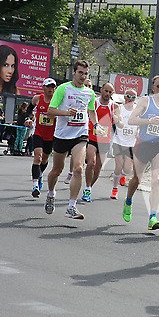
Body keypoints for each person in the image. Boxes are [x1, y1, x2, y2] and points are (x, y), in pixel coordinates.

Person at [44, 60, 104, 220]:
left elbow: (91, 111)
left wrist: (96, 124)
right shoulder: (63, 89)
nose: (83, 76)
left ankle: (71, 206)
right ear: (74, 72)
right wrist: (66, 113)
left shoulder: (89, 93)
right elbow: (50, 110)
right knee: (56, 171)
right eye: (80, 73)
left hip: (81, 134)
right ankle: (51, 194)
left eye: (86, 74)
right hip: (62, 135)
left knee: (78, 168)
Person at [122, 75, 159, 230]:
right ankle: (128, 200)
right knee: (137, 179)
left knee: (156, 180)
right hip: (143, 145)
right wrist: (149, 121)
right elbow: (131, 120)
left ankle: (153, 217)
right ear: (153, 88)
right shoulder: (145, 101)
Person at [81, 83, 123, 202]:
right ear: (101, 90)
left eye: (110, 92)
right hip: (92, 137)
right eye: (106, 91)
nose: (107, 94)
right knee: (91, 163)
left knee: (98, 167)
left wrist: (117, 120)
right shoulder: (94, 103)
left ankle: (88, 188)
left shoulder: (115, 107)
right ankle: (88, 187)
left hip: (105, 140)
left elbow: (121, 124)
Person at [27, 78, 57, 198]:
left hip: (51, 135)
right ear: (44, 87)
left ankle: (39, 175)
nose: (51, 89)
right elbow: (29, 109)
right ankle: (35, 186)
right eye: (48, 86)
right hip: (38, 132)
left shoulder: (57, 100)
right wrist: (28, 118)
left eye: (53, 87)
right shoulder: (37, 98)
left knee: (44, 159)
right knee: (38, 157)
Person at [110, 89, 138, 200]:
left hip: (131, 143)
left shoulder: (138, 110)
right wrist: (115, 120)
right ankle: (115, 189)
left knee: (127, 168)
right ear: (124, 97)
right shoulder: (119, 108)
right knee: (118, 165)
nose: (130, 98)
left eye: (133, 97)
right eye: (128, 96)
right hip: (118, 141)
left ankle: (124, 174)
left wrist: (139, 130)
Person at [64, 79, 93, 184]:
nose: (88, 87)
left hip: (89, 132)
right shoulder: (78, 98)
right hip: (75, 131)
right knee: (75, 154)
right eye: (86, 85)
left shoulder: (92, 99)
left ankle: (77, 172)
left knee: (86, 159)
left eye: (90, 86)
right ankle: (71, 172)